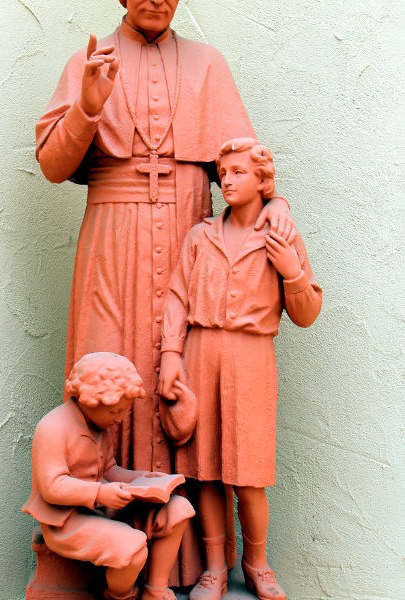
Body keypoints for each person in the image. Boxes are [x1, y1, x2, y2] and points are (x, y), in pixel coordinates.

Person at [36, 0, 297, 584]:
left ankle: (193, 564)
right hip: (112, 239)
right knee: (106, 374)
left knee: (182, 378)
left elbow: (249, 166)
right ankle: (100, 560)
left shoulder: (208, 64)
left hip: (187, 229)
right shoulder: (90, 61)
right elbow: (53, 165)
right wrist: (88, 106)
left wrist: (276, 203)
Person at [158, 138, 322, 599]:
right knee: (206, 469)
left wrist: (291, 271)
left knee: (249, 474)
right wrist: (171, 353)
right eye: (223, 173)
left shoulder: (280, 234)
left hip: (251, 359)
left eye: (239, 173)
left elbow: (307, 313)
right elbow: (178, 296)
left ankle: (257, 563)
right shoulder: (201, 235)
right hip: (201, 353)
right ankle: (214, 566)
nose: (227, 181)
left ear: (262, 180)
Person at [23, 352, 195, 600]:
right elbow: (52, 487)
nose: (119, 419)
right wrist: (101, 493)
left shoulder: (99, 426)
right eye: (115, 412)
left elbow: (110, 471)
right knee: (132, 548)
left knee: (179, 509)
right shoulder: (52, 428)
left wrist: (143, 478)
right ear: (92, 400)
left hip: (102, 508)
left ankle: (155, 591)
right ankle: (119, 596)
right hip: (65, 521)